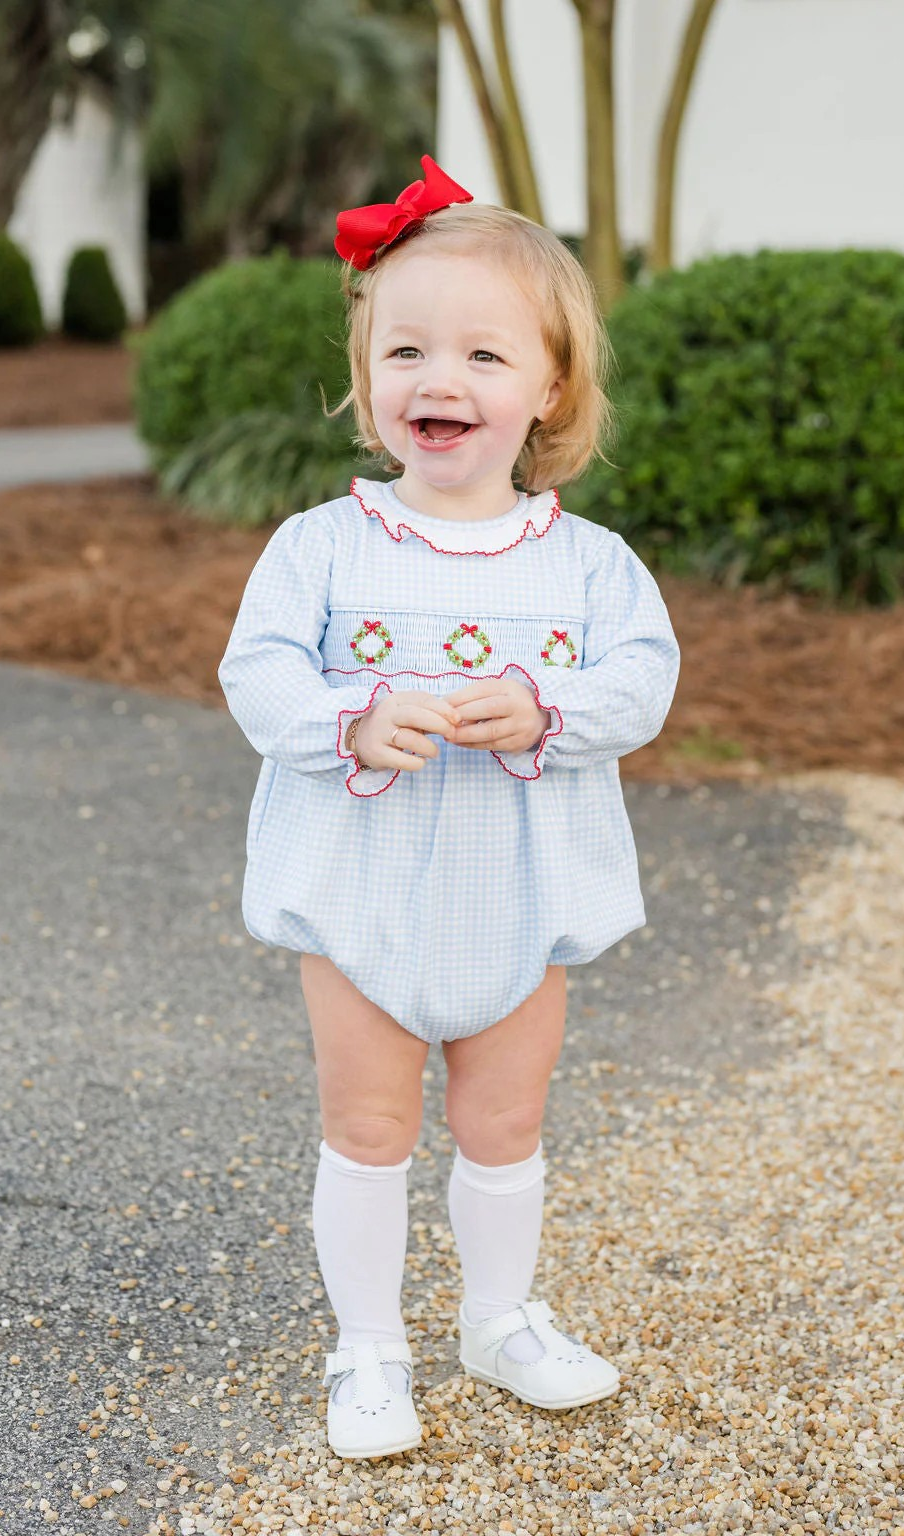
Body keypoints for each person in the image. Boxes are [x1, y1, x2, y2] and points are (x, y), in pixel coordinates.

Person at [218, 155, 681, 1460]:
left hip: (517, 888)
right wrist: (351, 721)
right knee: (368, 1124)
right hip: (363, 886)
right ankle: (369, 1348)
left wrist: (548, 711)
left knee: (503, 1119)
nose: (442, 380)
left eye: (484, 354)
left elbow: (643, 683)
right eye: (407, 348)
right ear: (368, 377)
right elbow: (257, 674)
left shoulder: (590, 566)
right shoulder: (323, 545)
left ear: (548, 389)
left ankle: (500, 1316)